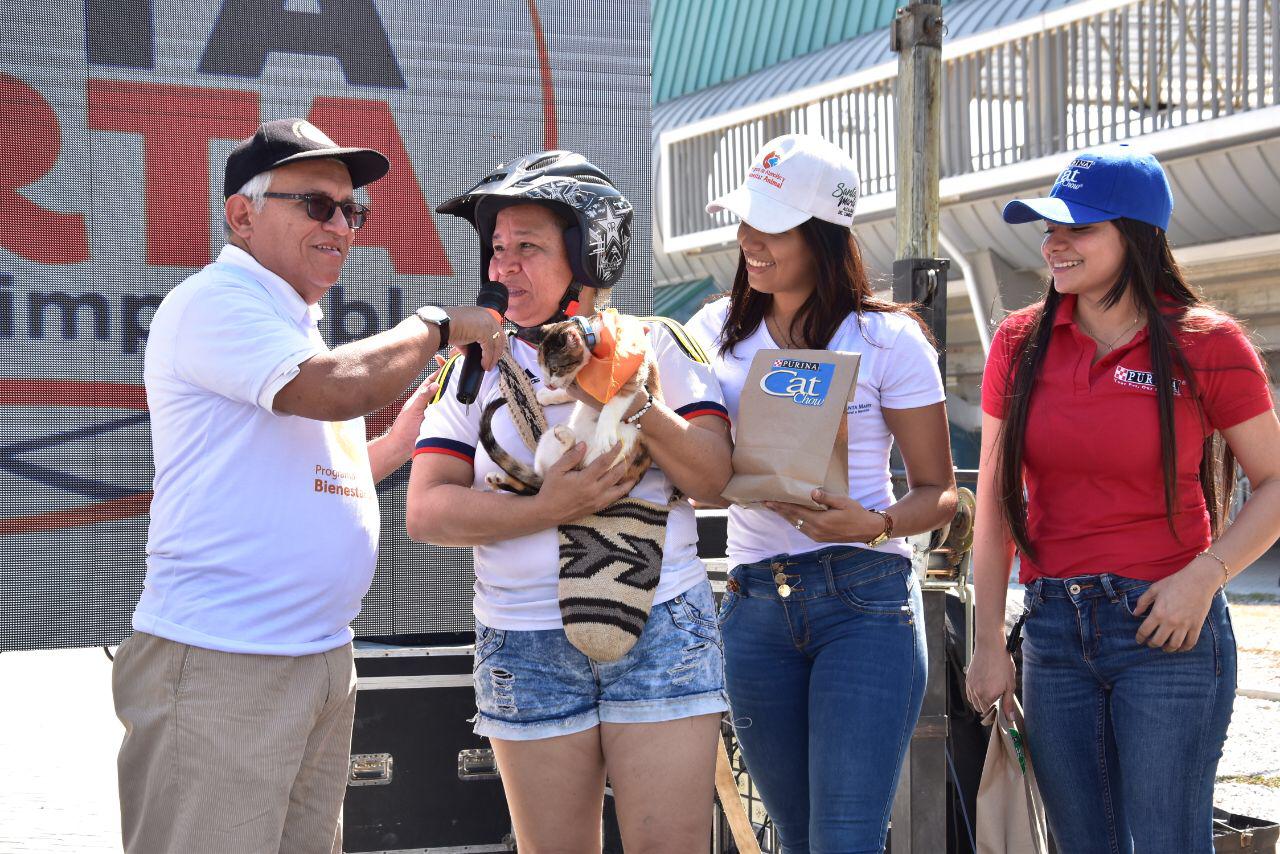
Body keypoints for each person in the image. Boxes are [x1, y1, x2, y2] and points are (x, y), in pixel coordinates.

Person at [112, 117, 504, 854]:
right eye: (317, 205)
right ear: (242, 214)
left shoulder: (290, 321)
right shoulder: (217, 301)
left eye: (351, 210)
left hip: (312, 661)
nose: (342, 224)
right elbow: (332, 390)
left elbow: (317, 472)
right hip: (225, 664)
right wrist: (438, 325)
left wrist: (394, 445)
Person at [406, 150, 734, 853]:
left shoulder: (661, 343)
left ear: (589, 256)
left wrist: (630, 392)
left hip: (660, 626)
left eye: (527, 248)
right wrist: (546, 506)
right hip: (522, 640)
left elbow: (713, 479)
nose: (501, 269)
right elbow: (426, 511)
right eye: (497, 250)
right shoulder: (472, 368)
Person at [965, 144, 1280, 853]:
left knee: (1167, 841)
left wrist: (1205, 577)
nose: (1055, 243)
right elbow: (993, 506)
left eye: (1079, 228)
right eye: (1050, 227)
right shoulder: (1019, 344)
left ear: (1136, 234)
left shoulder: (1206, 342)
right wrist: (989, 643)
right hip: (1052, 633)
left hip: (1167, 630)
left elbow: (1276, 483)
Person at [685, 133, 958, 853]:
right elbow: (686, 466)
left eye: (769, 225)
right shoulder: (710, 332)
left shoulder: (890, 339)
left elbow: (940, 491)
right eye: (744, 220)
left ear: (823, 235)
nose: (748, 239)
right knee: (798, 840)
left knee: (843, 839)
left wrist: (871, 523)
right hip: (751, 606)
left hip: (867, 601)